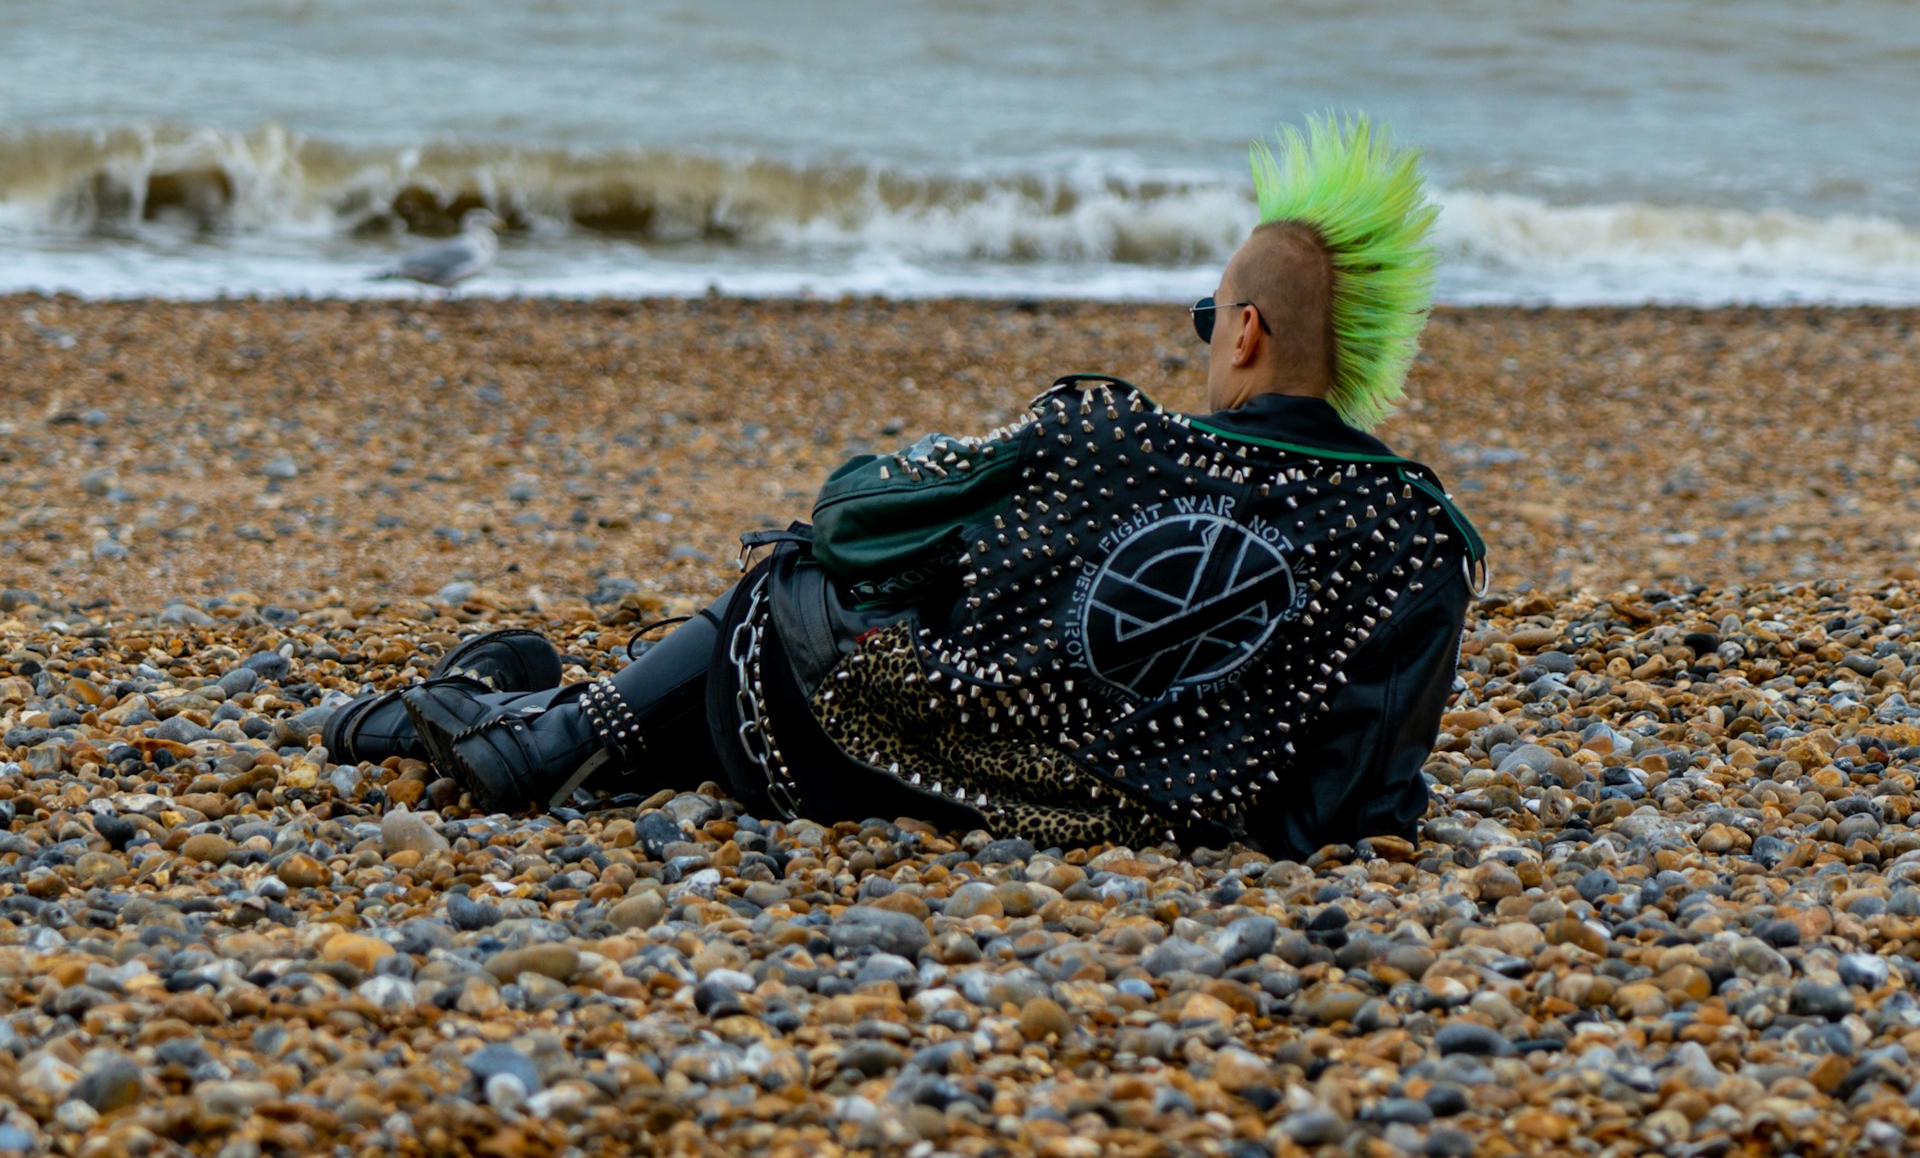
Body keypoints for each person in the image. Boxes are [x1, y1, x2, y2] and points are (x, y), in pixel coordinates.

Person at [323, 114, 1483, 858]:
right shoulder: (1420, 542)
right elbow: (1357, 810)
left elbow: (861, 517)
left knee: (804, 576)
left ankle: (520, 724)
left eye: (1202, 319)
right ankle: (494, 703)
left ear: (1243, 331)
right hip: (1109, 810)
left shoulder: (1106, 435)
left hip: (849, 750)